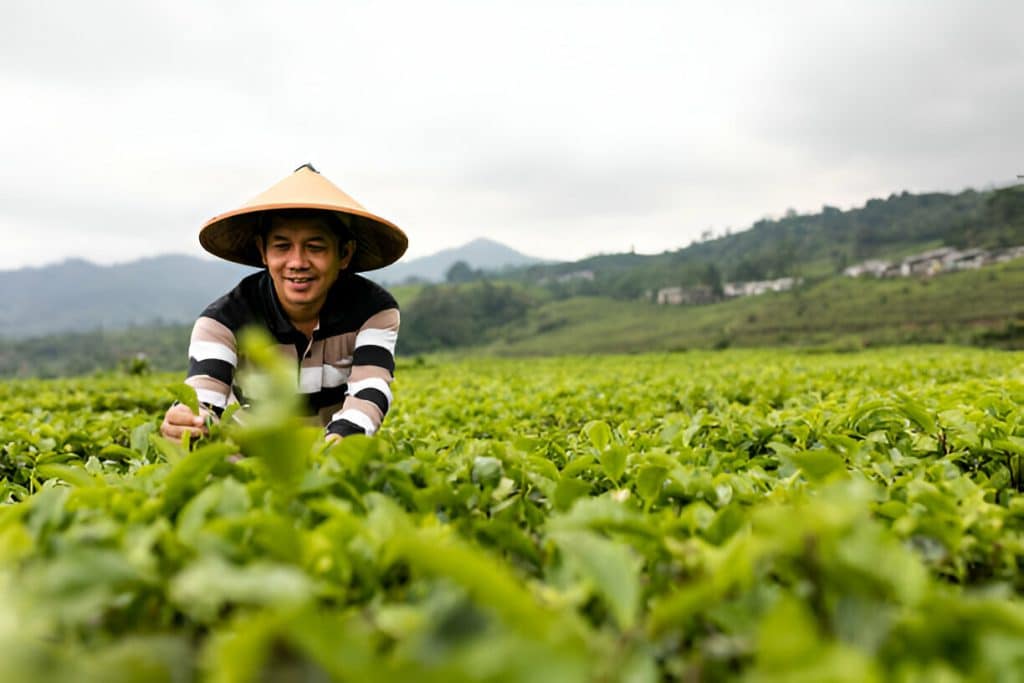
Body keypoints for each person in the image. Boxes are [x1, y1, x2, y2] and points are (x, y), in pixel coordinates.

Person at [160, 163, 408, 443]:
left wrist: (335, 448)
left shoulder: (373, 310)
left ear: (344, 254)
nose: (297, 262)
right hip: (250, 456)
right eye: (282, 246)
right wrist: (188, 422)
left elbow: (370, 390)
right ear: (262, 251)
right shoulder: (223, 321)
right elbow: (205, 396)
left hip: (335, 451)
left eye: (315, 247)